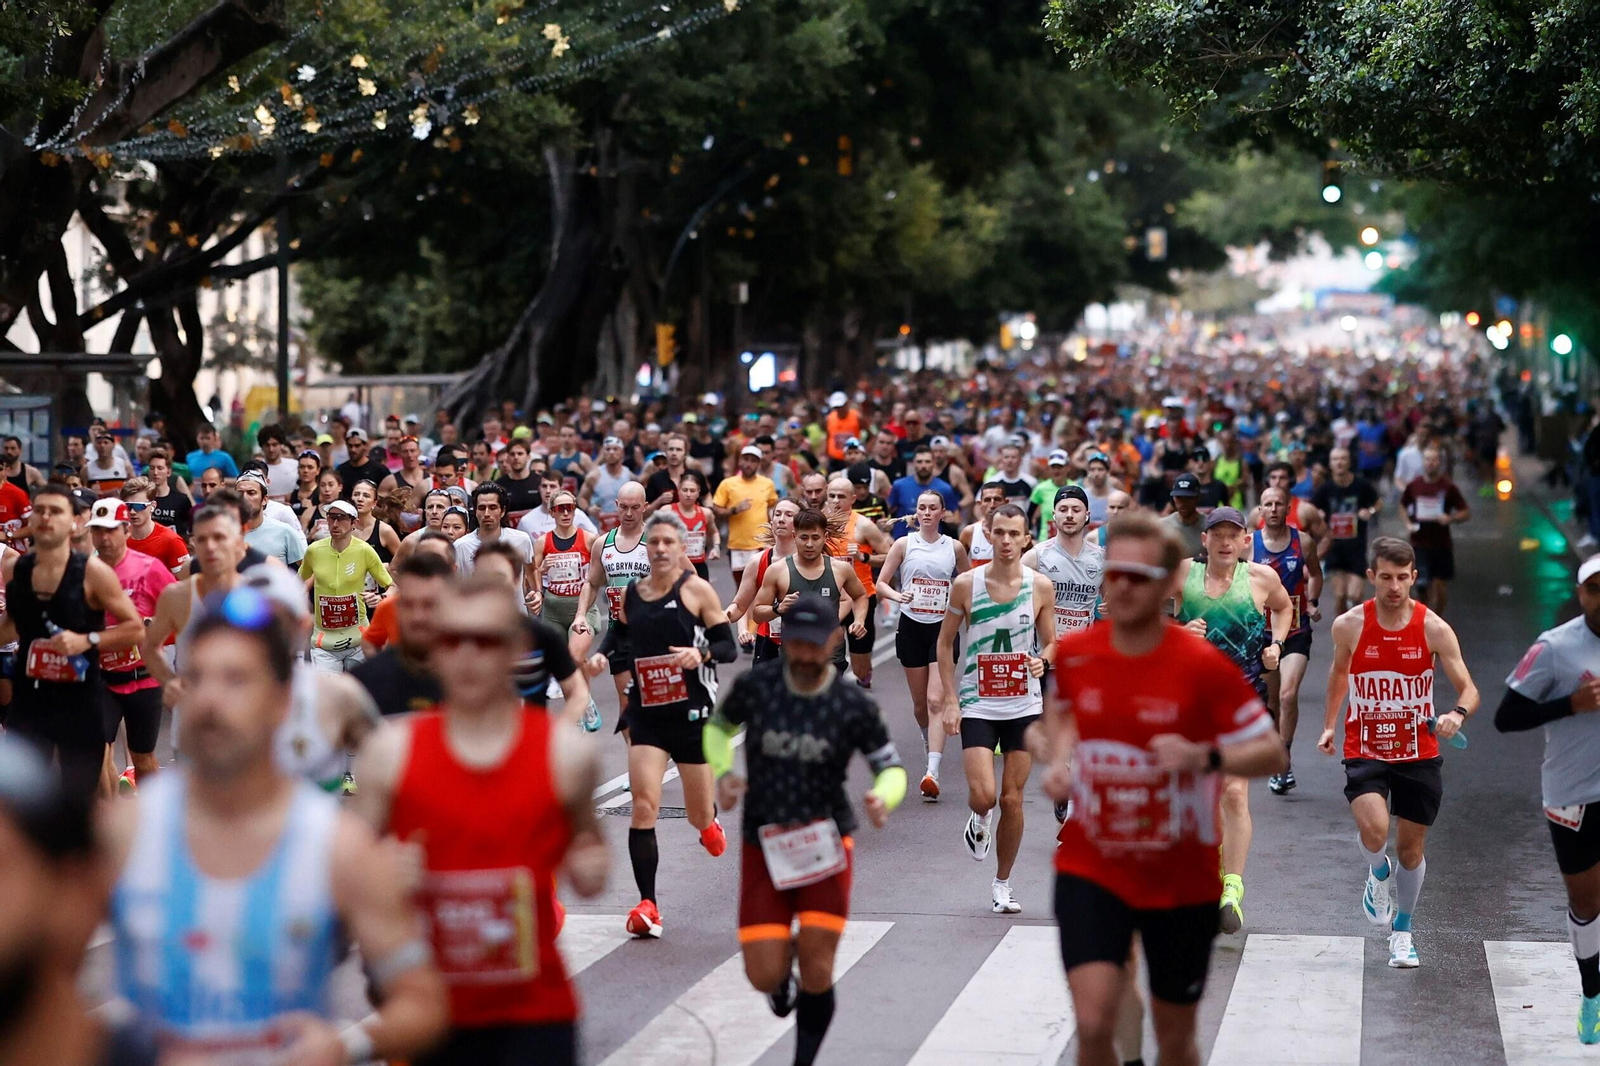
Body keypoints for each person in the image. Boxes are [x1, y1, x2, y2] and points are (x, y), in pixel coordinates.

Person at [106, 586, 449, 1063]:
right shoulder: (124, 832)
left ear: (282, 702)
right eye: (197, 677)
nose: (210, 699)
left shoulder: (337, 846)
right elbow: (39, 984)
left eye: (236, 680)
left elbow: (423, 1002)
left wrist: (344, 1046)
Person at [1043, 510, 1286, 1066]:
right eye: (1115, 574)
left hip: (1179, 875)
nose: (1123, 587)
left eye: (1139, 576)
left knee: (1175, 1039)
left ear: (1167, 583)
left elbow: (1272, 752)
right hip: (1093, 866)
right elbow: (1058, 717)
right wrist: (1056, 760)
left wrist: (1205, 756)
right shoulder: (1078, 653)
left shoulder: (1203, 665)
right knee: (1092, 1022)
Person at [351, 572, 605, 1066]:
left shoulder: (564, 754)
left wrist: (589, 866)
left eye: (485, 641)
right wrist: (379, 876)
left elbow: (590, 865)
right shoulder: (389, 753)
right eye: (453, 640)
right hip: (429, 1009)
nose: (467, 655)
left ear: (513, 650)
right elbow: (351, 883)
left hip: (535, 1014)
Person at [706, 592, 907, 1066]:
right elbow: (718, 729)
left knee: (818, 968)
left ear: (834, 640)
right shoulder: (758, 686)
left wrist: (884, 797)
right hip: (764, 841)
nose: (804, 653)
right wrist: (724, 771)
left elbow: (891, 767)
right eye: (796, 642)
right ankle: (781, 968)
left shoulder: (851, 704)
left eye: (814, 644)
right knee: (762, 974)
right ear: (784, 638)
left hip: (826, 842)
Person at [1319, 536, 1480, 969]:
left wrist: (1457, 714)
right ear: (1372, 576)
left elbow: (1468, 688)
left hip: (1418, 751)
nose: (1394, 587)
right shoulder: (1350, 625)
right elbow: (1339, 674)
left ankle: (1403, 933)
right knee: (1374, 832)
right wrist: (1329, 725)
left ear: (1413, 577)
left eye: (1402, 578)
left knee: (1411, 849)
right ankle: (1378, 871)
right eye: (1386, 577)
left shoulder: (1434, 628)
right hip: (1365, 746)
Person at [595, 510, 739, 938]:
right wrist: (602, 655)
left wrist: (701, 654)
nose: (659, 549)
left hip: (691, 712)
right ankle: (648, 904)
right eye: (653, 542)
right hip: (646, 711)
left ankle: (708, 823)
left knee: (697, 813)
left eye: (667, 542)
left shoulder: (696, 591)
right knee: (644, 805)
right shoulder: (634, 594)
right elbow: (619, 634)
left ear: (680, 549)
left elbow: (727, 647)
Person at [1172, 507, 1293, 934]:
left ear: (1245, 541)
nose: (1225, 542)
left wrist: (1277, 645)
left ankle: (1232, 889)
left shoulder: (1261, 578)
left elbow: (1284, 609)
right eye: (1217, 534)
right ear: (1204, 540)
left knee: (1235, 793)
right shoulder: (1182, 573)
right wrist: (1178, 631)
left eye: (1233, 535)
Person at [1495, 555, 1600, 1043]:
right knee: (1586, 901)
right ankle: (1592, 994)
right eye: (1595, 589)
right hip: (1572, 793)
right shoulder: (1555, 647)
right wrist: (1571, 704)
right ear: (1581, 594)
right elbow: (1506, 717)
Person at [937, 503, 1055, 914]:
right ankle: (979, 818)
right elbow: (944, 643)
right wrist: (950, 699)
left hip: (1024, 702)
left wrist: (1044, 661)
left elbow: (1051, 641)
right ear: (988, 534)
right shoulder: (966, 584)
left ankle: (1002, 884)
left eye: (1014, 534)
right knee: (985, 796)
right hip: (978, 702)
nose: (1006, 541)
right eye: (999, 532)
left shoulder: (1040, 586)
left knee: (1013, 799)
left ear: (1026, 539)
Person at [0, 485, 142, 801]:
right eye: (40, 510)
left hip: (78, 700)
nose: (46, 517)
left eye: (55, 511)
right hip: (29, 699)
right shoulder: (18, 569)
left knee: (80, 797)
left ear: (74, 522)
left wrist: (86, 639)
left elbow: (135, 629)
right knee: (23, 797)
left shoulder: (92, 572)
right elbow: (11, 626)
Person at [877, 489, 970, 800]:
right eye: (922, 508)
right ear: (916, 513)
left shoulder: (954, 547)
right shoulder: (904, 544)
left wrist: (968, 616)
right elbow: (881, 583)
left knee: (935, 700)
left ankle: (932, 772)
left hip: (943, 630)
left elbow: (969, 584)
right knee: (920, 705)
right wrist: (897, 596)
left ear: (943, 513)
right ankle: (929, 741)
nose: (927, 513)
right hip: (911, 626)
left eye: (933, 508)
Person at [87, 498, 175, 793]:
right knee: (96, 752)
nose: (104, 538)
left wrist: (150, 626)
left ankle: (152, 812)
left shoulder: (149, 568)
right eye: (97, 530)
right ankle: (109, 815)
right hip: (101, 678)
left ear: (126, 530)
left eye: (111, 530)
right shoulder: (83, 571)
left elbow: (177, 612)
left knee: (143, 758)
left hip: (143, 678)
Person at [140, 502, 248, 718]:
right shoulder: (176, 595)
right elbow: (149, 647)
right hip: (191, 717)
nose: (210, 547)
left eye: (219, 537)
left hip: (241, 714)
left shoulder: (255, 594)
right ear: (192, 545)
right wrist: (169, 681)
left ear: (238, 543)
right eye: (202, 539)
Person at [1254, 486, 1323, 796]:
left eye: (1279, 504)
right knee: (1270, 702)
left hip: (1296, 631)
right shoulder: (1249, 545)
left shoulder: (1303, 542)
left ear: (1287, 508)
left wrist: (1313, 601)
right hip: (1264, 634)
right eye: (1267, 504)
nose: (1273, 509)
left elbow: (1316, 574)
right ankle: (1278, 755)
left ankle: (1284, 760)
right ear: (1260, 510)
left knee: (1287, 695)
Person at [751, 507, 872, 674]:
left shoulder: (841, 569)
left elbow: (860, 595)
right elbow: (757, 613)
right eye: (804, 537)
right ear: (794, 536)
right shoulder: (777, 571)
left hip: (832, 656)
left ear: (825, 537)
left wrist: (859, 620)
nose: (809, 544)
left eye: (815, 538)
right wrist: (777, 608)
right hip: (794, 657)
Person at [353, 551, 451, 716]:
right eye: (408, 604)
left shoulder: (472, 679)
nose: (417, 616)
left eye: (429, 604)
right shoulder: (364, 684)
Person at [300, 498, 393, 672]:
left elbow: (392, 586)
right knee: (328, 689)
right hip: (324, 642)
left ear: (353, 523)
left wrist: (380, 597)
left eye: (341, 518)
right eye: (331, 517)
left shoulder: (364, 550)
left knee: (360, 688)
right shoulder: (314, 550)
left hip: (358, 640)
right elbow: (300, 581)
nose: (335, 524)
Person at [823, 475, 892, 687]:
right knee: (830, 651)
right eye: (832, 496)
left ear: (853, 499)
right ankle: (830, 686)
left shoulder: (863, 526)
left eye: (841, 496)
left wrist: (864, 557)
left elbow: (889, 556)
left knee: (860, 666)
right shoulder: (818, 523)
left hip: (860, 598)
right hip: (829, 597)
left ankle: (863, 674)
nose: (836, 501)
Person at [1023, 485, 1105, 640]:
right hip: (1044, 651)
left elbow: (1113, 604)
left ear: (1087, 515)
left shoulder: (1100, 558)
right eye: (1063, 510)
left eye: (1076, 510)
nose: (1069, 515)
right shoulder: (1035, 556)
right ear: (1054, 515)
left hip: (1082, 649)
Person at [1312, 446, 1382, 616]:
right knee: (1341, 596)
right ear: (1330, 464)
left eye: (1343, 458)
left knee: (1355, 596)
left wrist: (1370, 511)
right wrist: (1318, 515)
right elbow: (1312, 511)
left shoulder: (1361, 485)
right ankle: (1343, 628)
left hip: (1356, 548)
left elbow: (1378, 502)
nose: (1339, 462)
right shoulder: (1325, 489)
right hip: (1334, 549)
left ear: (1349, 462)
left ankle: (1358, 626)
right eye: (1335, 459)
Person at [1400, 445, 1470, 612]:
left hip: (1441, 543)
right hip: (1419, 542)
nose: (1430, 463)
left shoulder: (1448, 487)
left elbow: (1465, 512)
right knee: (1421, 585)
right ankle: (1422, 617)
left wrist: (1451, 518)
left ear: (1440, 462)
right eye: (1427, 459)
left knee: (1439, 587)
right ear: (1423, 462)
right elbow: (1403, 505)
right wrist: (1408, 523)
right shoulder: (1414, 485)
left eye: (1434, 459)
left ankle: (1436, 619)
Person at [713, 444, 779, 588]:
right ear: (740, 461)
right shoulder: (727, 484)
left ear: (759, 463)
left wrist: (774, 535)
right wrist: (734, 510)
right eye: (746, 459)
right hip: (738, 545)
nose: (749, 464)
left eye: (753, 461)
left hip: (762, 544)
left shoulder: (767, 484)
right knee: (742, 586)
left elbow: (772, 507)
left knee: (763, 585)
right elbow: (716, 510)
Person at [457, 482, 536, 601]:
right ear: (475, 511)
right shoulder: (461, 546)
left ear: (502, 511)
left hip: (515, 611)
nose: (487, 514)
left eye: (492, 508)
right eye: (482, 508)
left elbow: (532, 569)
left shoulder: (521, 539)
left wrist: (537, 592)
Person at [114, 477, 189, 576]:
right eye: (128, 506)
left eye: (139, 506)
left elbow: (186, 581)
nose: (132, 512)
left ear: (153, 506)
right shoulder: (119, 539)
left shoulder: (171, 541)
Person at [236, 470, 307, 568]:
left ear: (264, 500)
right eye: (239, 493)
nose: (244, 498)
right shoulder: (226, 533)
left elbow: (308, 569)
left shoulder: (284, 531)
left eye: (251, 493)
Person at [579, 435, 636, 529]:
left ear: (622, 452)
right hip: (599, 528)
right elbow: (581, 498)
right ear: (603, 453)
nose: (611, 452)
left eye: (615, 449)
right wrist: (589, 509)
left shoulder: (630, 476)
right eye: (608, 449)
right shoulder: (594, 476)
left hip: (623, 527)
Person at [673, 469, 719, 579]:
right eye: (685, 490)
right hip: (676, 566)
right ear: (678, 491)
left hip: (699, 566)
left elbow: (714, 532)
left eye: (692, 491)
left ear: (698, 492)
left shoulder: (706, 513)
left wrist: (716, 548)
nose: (688, 494)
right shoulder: (668, 512)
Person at [1027, 450, 1078, 540]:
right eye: (1053, 467)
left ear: (1067, 467)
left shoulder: (1075, 489)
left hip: (1070, 538)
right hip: (1046, 539)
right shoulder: (1041, 488)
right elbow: (1029, 514)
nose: (1056, 470)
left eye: (1060, 467)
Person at [351, 478, 403, 565]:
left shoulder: (385, 530)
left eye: (366, 496)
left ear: (374, 503)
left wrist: (387, 567)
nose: (360, 499)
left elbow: (403, 562)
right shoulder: (344, 528)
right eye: (356, 494)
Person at [960, 481, 1007, 565]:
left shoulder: (1016, 531)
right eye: (987, 500)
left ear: (1006, 502)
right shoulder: (970, 532)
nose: (992, 505)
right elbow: (959, 565)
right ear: (980, 504)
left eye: (997, 499)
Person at [1161, 472, 1205, 558]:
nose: (1183, 503)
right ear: (1173, 498)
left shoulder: (1208, 527)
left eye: (1189, 498)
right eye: (1179, 498)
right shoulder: (1162, 527)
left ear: (1198, 497)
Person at [337, 427, 390, 496]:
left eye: (357, 446)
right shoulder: (341, 470)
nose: (353, 449)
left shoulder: (379, 470)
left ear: (365, 445)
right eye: (350, 446)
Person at [83, 431, 132, 497]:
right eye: (99, 443)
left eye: (106, 442)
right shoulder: (86, 469)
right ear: (94, 446)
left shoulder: (124, 466)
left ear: (113, 445)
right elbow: (83, 492)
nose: (102, 446)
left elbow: (133, 489)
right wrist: (91, 491)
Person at [257, 423, 299, 499]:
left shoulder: (295, 466)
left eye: (274, 445)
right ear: (262, 447)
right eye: (267, 445)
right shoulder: (256, 469)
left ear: (281, 445)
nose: (271, 449)